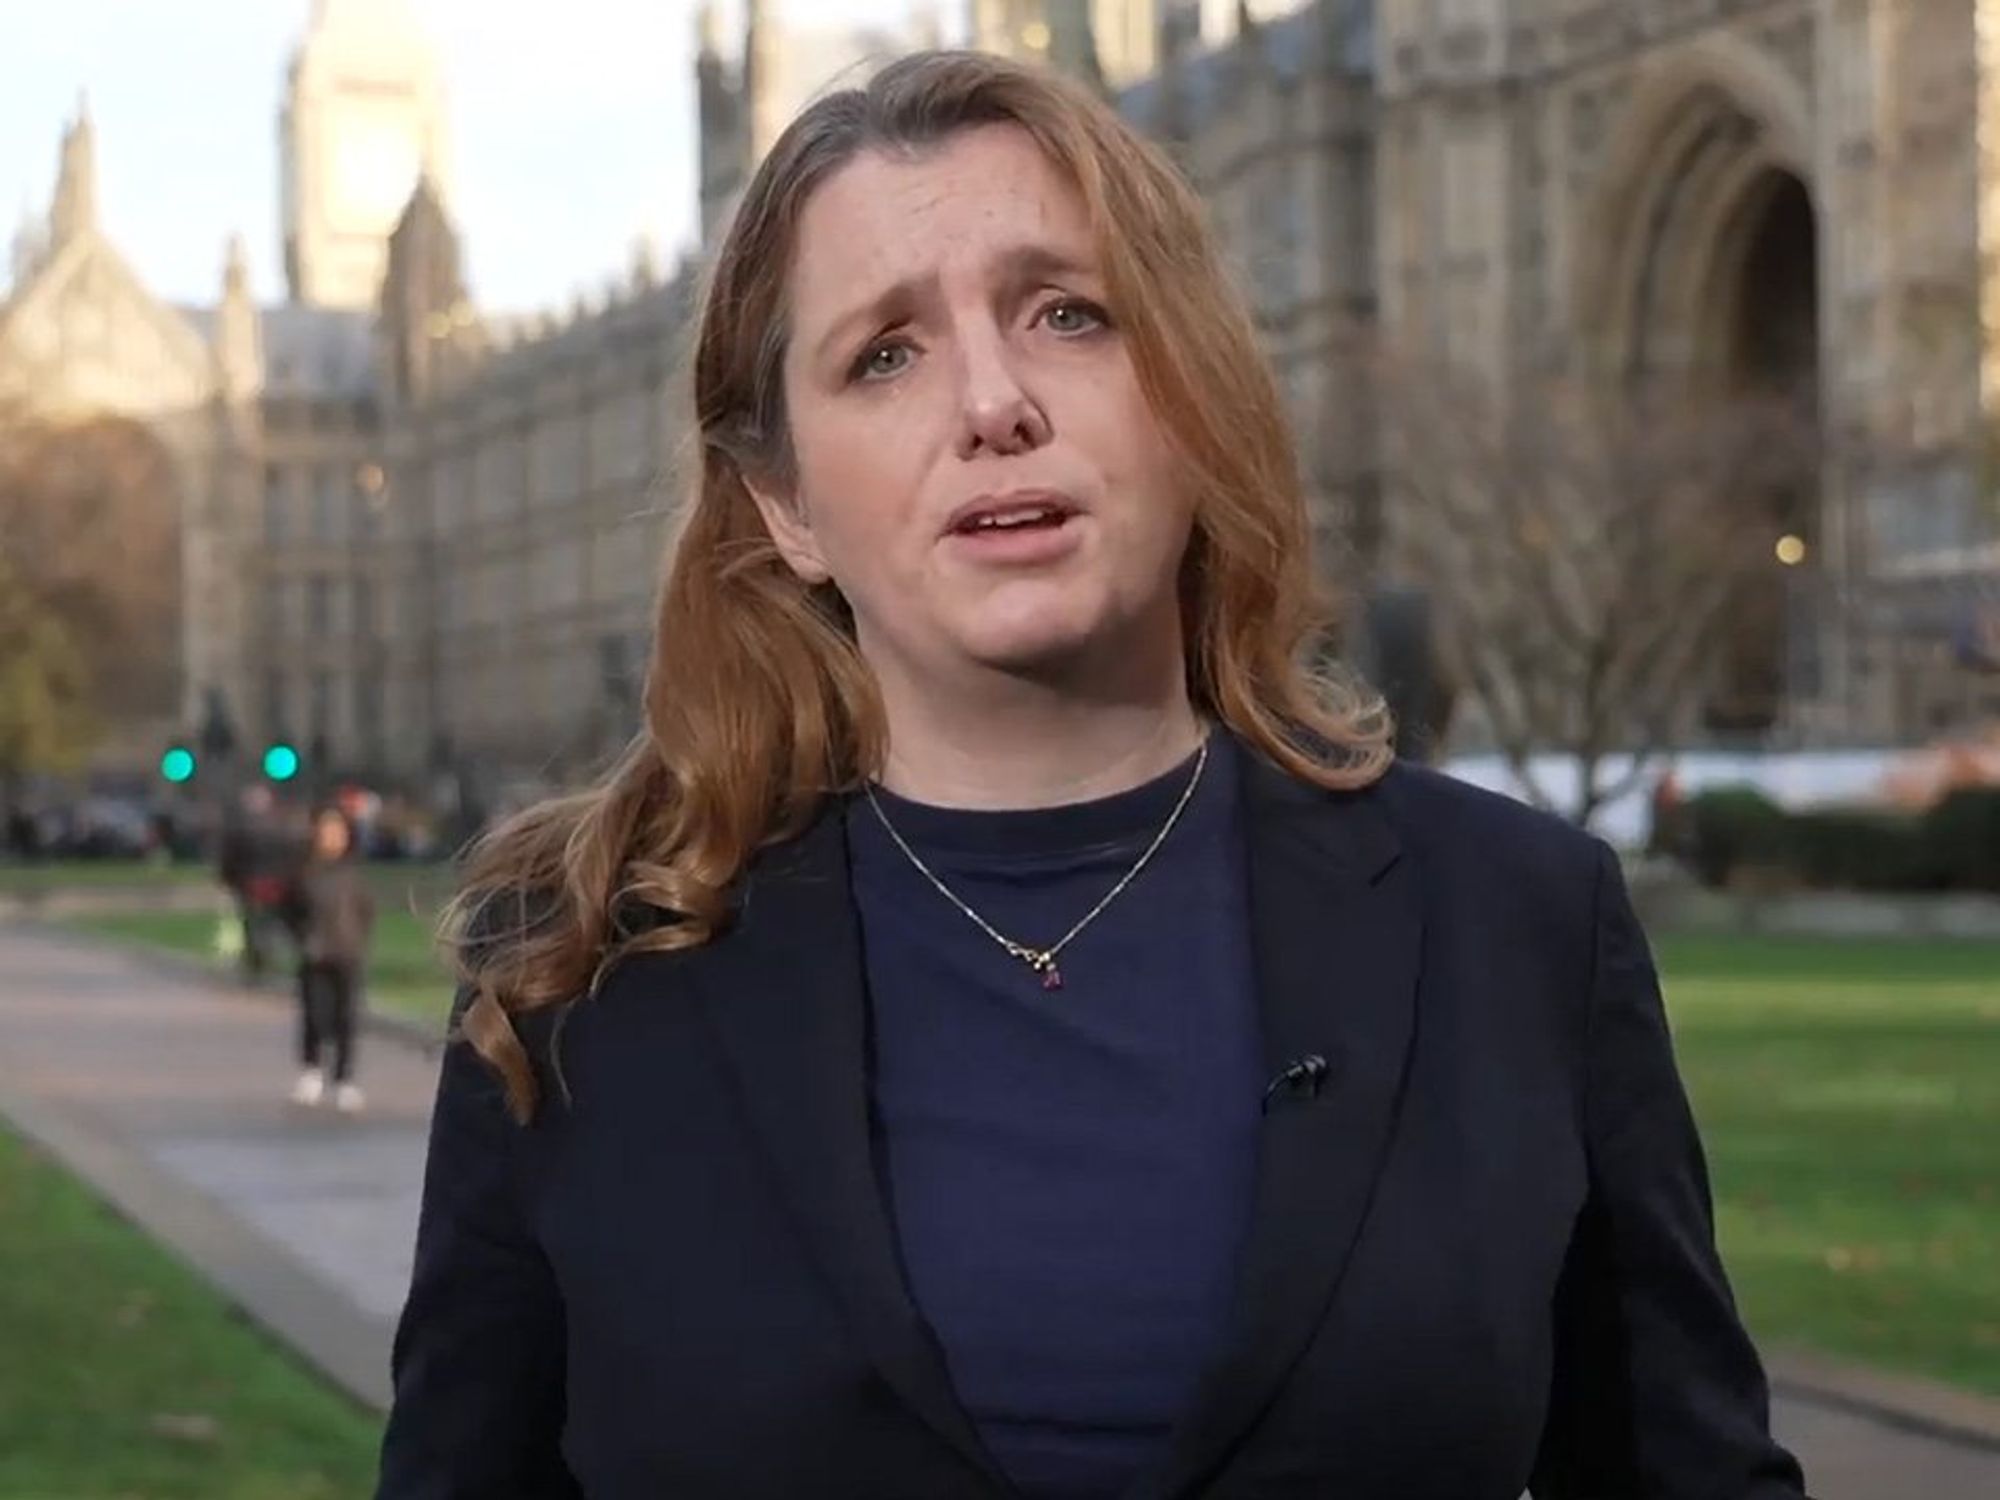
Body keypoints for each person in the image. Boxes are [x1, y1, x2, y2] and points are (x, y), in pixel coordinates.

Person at [377, 51, 1810, 1500]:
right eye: (885, 354)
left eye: (1067, 314)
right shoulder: (576, 974)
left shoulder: (1517, 921)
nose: (993, 402)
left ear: (1187, 392)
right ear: (785, 501)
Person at [285, 803, 374, 1113]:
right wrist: (303, 938)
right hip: (315, 954)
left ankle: (344, 1079)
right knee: (314, 1013)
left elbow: (365, 911)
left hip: (347, 953)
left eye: (336, 831)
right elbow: (290, 911)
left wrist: (358, 939)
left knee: (346, 1017)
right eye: (325, 831)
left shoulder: (353, 872)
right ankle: (311, 1071)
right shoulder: (304, 872)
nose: (331, 837)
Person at [217, 783, 296, 980]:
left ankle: (257, 961)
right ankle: (262, 959)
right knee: (266, 923)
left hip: (253, 883)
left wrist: (229, 879)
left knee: (255, 923)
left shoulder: (242, 829)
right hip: (267, 883)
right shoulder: (279, 827)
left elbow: (231, 858)